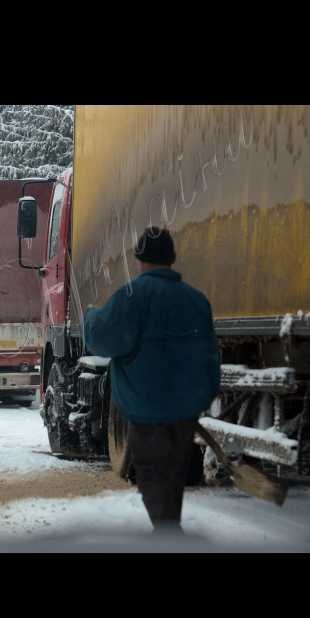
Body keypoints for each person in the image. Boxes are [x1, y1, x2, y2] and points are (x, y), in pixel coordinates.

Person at [83, 227, 220, 534]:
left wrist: (91, 316)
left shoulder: (133, 296)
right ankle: (170, 533)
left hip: (147, 410)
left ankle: (170, 537)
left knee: (152, 477)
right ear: (171, 259)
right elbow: (211, 356)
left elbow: (102, 341)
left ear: (140, 260)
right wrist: (201, 398)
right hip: (184, 410)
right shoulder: (196, 300)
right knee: (173, 477)